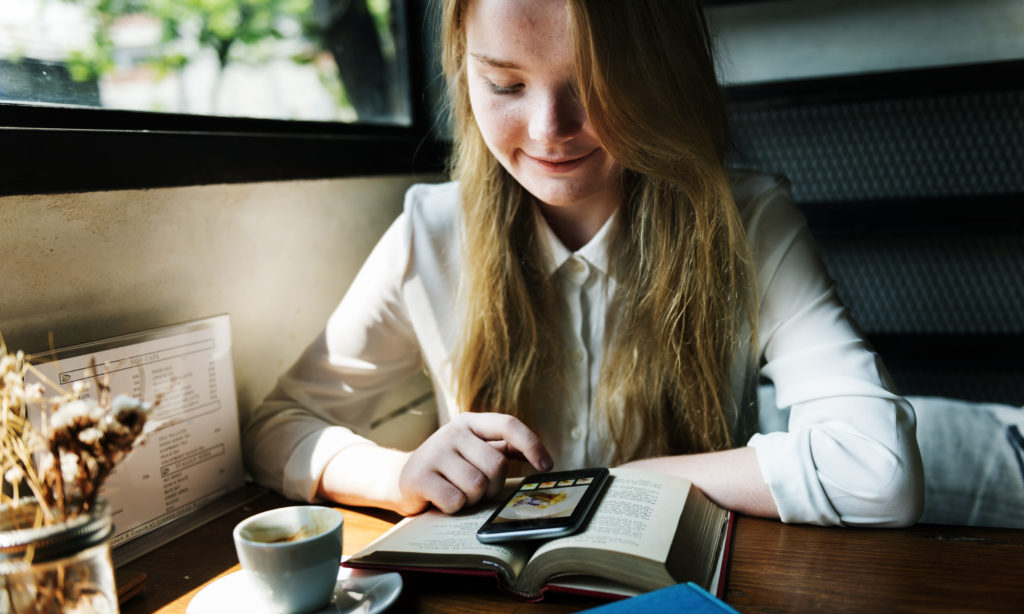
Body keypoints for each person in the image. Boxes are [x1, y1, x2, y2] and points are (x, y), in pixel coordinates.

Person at [243, 0, 924, 527]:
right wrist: (398, 476)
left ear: (659, 77)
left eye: (594, 86)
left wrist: (608, 485)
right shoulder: (431, 233)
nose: (549, 130)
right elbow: (280, 423)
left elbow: (877, 470)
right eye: (505, 84)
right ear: (466, 72)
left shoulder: (748, 224)